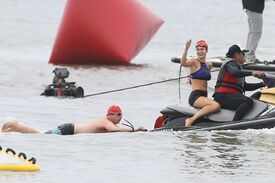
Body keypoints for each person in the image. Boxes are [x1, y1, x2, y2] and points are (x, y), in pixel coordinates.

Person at [1, 105, 147, 134]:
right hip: (67, 130)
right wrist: (135, 129)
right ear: (111, 115)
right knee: (38, 134)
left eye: (121, 114)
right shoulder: (106, 122)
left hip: (68, 129)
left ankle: (12, 127)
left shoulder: (105, 121)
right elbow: (116, 130)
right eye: (119, 114)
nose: (121, 117)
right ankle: (12, 125)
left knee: (39, 133)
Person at [213, 45, 265, 121]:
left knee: (251, 99)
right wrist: (252, 73)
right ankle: (235, 123)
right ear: (237, 54)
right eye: (243, 54)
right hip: (222, 97)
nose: (244, 56)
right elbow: (234, 72)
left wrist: (262, 84)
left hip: (228, 96)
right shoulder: (231, 64)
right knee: (248, 101)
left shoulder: (237, 67)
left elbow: (245, 87)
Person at [180, 39, 220, 126]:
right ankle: (191, 120)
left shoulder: (209, 64)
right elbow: (183, 62)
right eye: (197, 50)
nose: (200, 52)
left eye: (202, 49)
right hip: (196, 96)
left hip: (204, 96)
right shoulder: (194, 62)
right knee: (216, 106)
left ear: (206, 50)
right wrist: (186, 49)